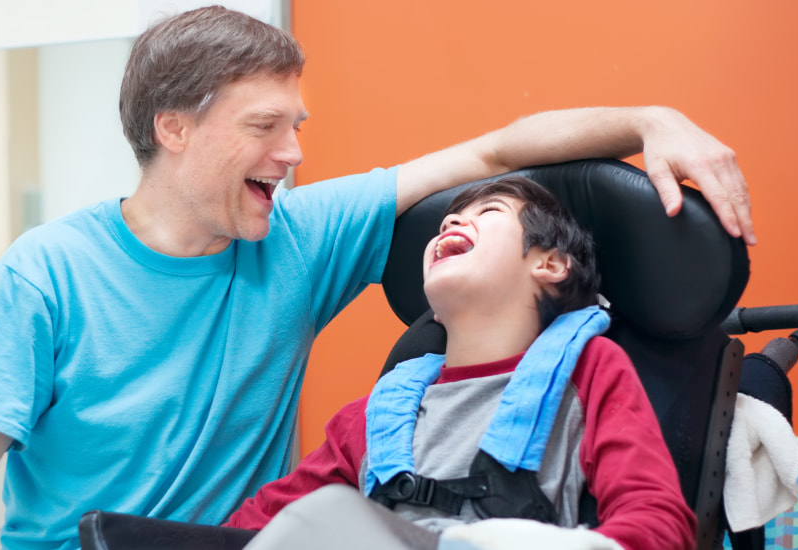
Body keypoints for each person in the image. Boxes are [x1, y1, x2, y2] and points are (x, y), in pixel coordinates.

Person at [0, 6, 751, 550]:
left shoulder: (299, 237)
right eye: (266, 127)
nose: (294, 155)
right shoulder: (47, 276)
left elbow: (492, 151)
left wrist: (651, 119)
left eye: (297, 124)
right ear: (174, 128)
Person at [226, 176, 693, 550]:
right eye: (448, 220)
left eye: (487, 213)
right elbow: (249, 530)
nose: (451, 223)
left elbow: (658, 524)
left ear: (550, 265)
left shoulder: (588, 370)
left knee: (325, 515)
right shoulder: (377, 415)